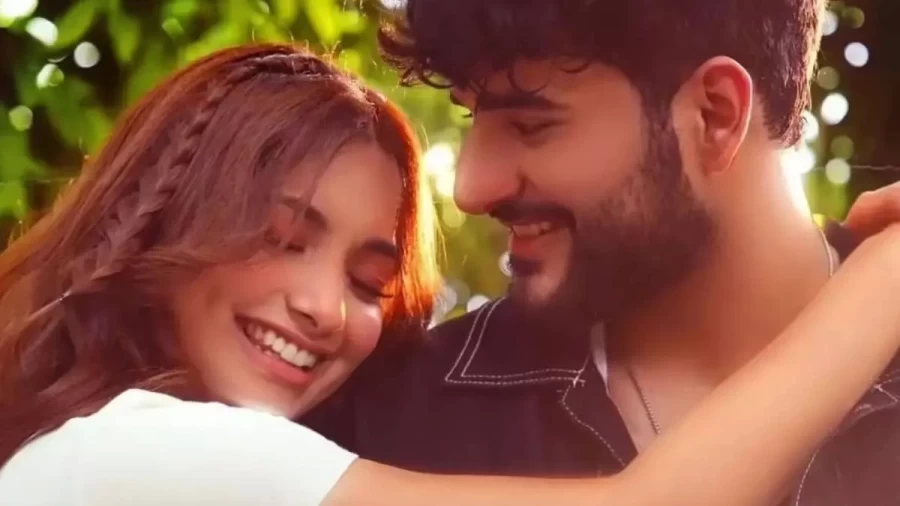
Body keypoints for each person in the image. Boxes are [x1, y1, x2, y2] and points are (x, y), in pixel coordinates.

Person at [2, 42, 900, 506]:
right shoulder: (138, 453)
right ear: (163, 218)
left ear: (720, 114)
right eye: (280, 238)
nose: (323, 309)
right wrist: (885, 274)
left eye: (367, 282)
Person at [306, 1, 900, 504]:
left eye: (530, 125)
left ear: (714, 116)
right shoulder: (390, 426)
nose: (471, 188)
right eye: (472, 116)